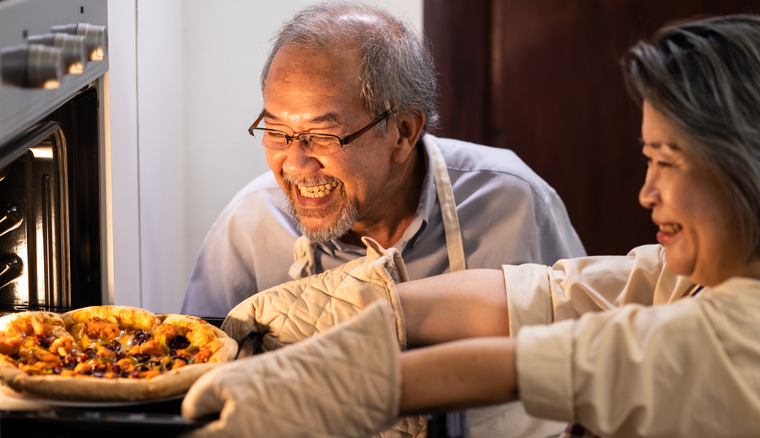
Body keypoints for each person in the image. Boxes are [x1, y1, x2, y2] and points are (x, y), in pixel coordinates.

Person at [180, 13, 760, 438]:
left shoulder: (753, 338)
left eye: (668, 163)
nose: (646, 192)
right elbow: (549, 295)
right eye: (279, 131)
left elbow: (532, 363)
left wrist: (331, 385)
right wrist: (357, 304)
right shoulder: (687, 271)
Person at [182, 2, 584, 436]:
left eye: (322, 135)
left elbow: (585, 359)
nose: (295, 165)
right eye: (277, 131)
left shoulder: (514, 201)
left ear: (403, 133)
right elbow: (189, 377)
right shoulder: (249, 225)